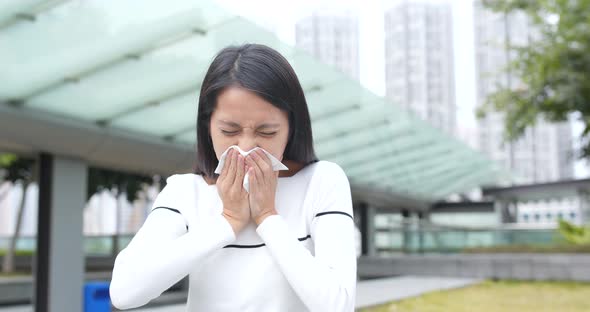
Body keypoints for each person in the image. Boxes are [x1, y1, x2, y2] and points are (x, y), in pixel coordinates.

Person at [109, 43, 357, 311]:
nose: (246, 146)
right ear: (208, 126)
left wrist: (267, 217)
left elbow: (337, 305)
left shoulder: (322, 182)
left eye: (267, 132)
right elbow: (124, 292)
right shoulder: (184, 192)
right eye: (229, 131)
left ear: (292, 127)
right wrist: (227, 222)